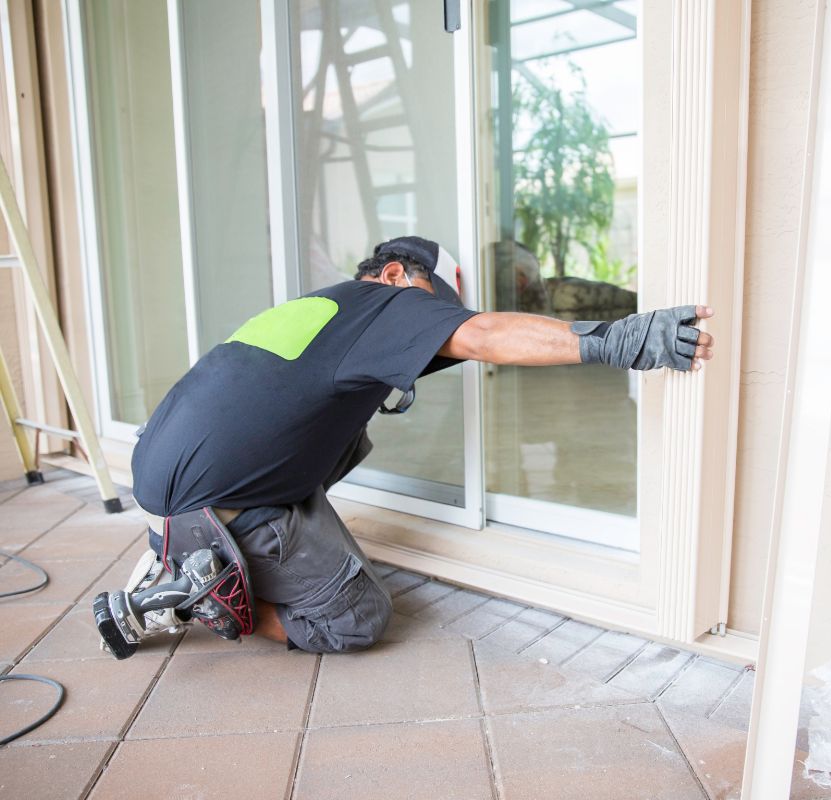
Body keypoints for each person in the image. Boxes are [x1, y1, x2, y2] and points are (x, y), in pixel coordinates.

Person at [114, 236, 714, 655]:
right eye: (438, 306)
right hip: (217, 498)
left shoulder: (322, 310)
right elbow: (481, 335)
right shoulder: (389, 302)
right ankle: (197, 596)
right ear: (398, 276)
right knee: (356, 618)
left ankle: (186, 553)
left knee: (348, 437)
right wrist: (623, 339)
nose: (438, 324)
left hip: (160, 479)